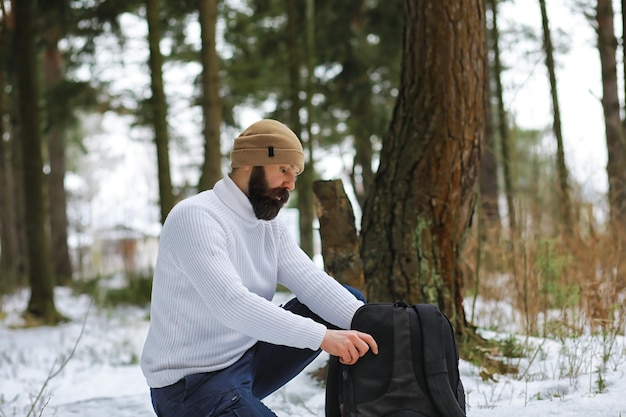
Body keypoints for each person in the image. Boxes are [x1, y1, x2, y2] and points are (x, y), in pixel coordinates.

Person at [140, 119, 378, 416]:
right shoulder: (195, 217)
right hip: (190, 387)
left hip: (247, 362)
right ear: (249, 164)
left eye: (294, 174)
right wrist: (323, 338)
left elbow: (312, 282)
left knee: (349, 303)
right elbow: (232, 304)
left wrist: (376, 327)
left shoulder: (269, 226)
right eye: (283, 170)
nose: (290, 184)